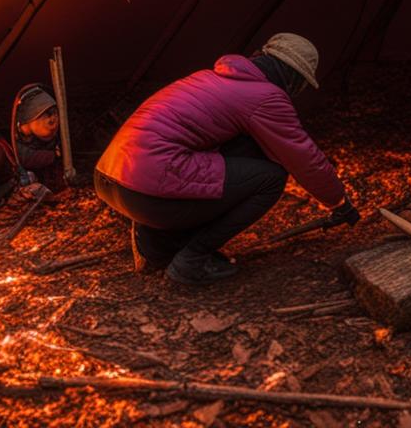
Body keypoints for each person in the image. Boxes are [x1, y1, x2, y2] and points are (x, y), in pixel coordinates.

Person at [94, 33, 360, 285]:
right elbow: (303, 157)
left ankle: (155, 248)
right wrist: (338, 201)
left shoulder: (211, 79)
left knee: (239, 149)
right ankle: (193, 259)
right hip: (147, 191)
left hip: (111, 178)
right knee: (270, 179)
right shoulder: (266, 97)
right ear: (293, 77)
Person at [11, 83, 67, 195]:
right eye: (46, 115)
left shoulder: (55, 136)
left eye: (55, 113)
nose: (53, 121)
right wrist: (53, 156)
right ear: (27, 122)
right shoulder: (16, 143)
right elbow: (25, 158)